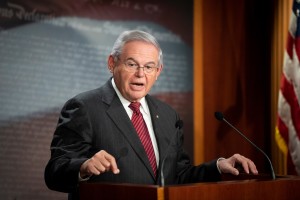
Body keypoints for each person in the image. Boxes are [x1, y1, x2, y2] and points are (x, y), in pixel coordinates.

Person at [44, 30, 258, 199]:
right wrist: (84, 167)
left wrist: (218, 167)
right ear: (112, 64)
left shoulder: (167, 115)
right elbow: (55, 172)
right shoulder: (85, 107)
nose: (140, 74)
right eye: (131, 64)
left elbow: (177, 175)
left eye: (149, 67)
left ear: (158, 72)